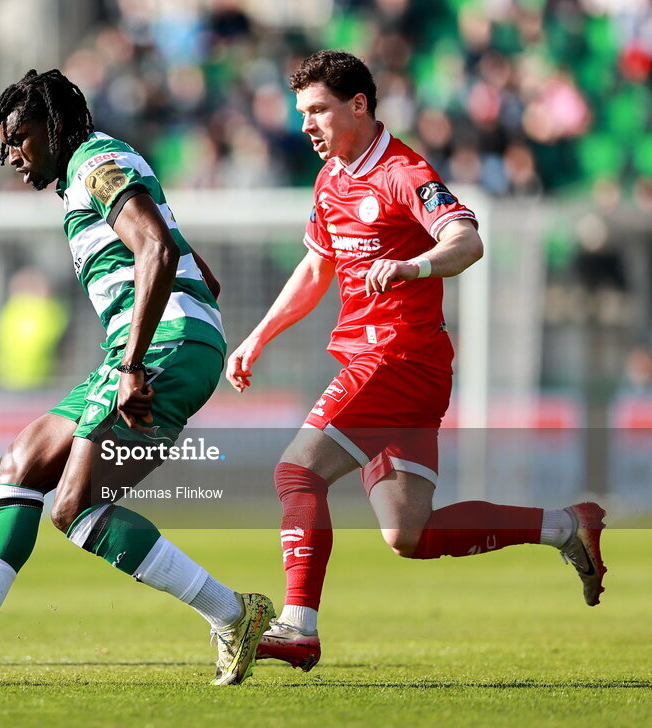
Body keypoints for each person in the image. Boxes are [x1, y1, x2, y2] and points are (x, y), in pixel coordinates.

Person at [0, 69, 274, 686]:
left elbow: (158, 249)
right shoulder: (88, 175)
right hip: (145, 348)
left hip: (160, 350)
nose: (10, 153)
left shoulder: (95, 162)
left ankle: (232, 613)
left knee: (76, 509)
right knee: (20, 463)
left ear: (55, 127)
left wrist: (136, 364)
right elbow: (184, 262)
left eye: (19, 136)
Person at [225, 51, 607, 673]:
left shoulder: (403, 172)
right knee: (410, 534)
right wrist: (258, 335)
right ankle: (567, 525)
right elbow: (320, 266)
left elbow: (466, 239)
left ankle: (299, 627)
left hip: (395, 358)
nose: (306, 126)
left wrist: (414, 264)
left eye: (318, 110)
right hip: (396, 367)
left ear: (360, 106)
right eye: (301, 113)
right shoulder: (331, 179)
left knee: (297, 474)